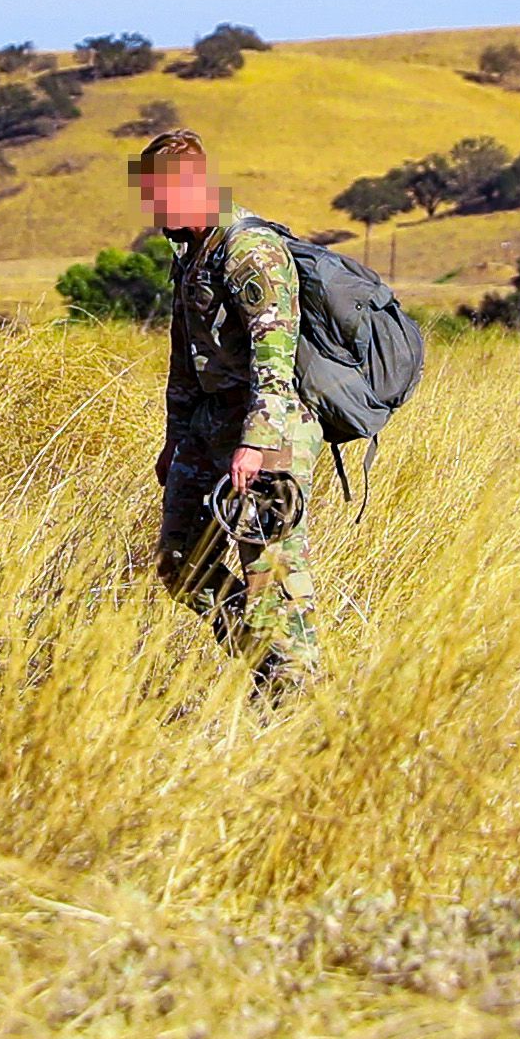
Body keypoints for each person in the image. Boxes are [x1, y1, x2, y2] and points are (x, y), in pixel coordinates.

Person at [131, 126, 322, 704]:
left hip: (268, 432)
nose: (151, 206)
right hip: (207, 426)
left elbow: (275, 355)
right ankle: (266, 665)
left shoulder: (250, 250)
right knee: (179, 562)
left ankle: (300, 696)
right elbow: (184, 360)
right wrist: (173, 441)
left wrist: (257, 442)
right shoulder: (192, 253)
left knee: (272, 576)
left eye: (158, 193)